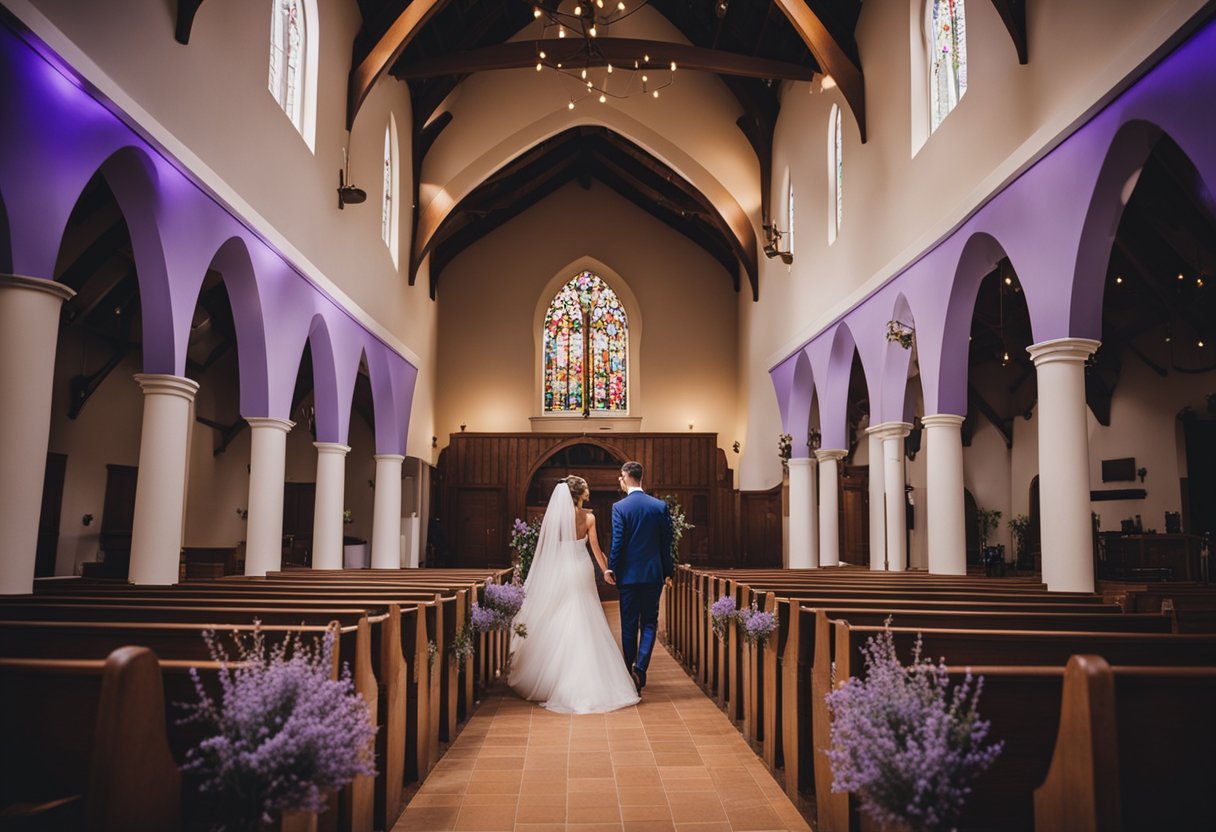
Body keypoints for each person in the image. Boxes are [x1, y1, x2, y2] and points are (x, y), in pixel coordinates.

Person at [508, 476, 641, 713]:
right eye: (586, 489)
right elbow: (596, 549)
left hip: (559, 569)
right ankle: (589, 678)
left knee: (559, 613)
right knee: (585, 613)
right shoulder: (589, 517)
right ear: (580, 494)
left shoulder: (556, 518)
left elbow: (549, 547)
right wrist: (607, 570)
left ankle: (554, 676)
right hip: (581, 569)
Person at [608, 461, 673, 692]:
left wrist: (611, 569)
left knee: (628, 624)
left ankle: (628, 672)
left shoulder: (620, 507)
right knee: (648, 622)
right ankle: (641, 667)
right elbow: (667, 544)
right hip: (653, 575)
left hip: (628, 577)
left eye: (620, 477)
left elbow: (618, 543)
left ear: (626, 477)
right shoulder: (659, 506)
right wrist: (668, 572)